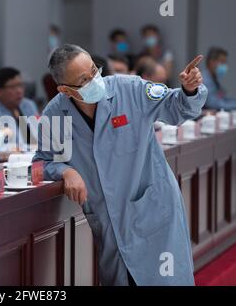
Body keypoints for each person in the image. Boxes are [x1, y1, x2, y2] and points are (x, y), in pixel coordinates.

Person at [34, 44, 207, 285]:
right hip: (108, 221)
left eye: (95, 70)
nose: (95, 80)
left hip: (151, 211)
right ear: (64, 89)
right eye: (84, 80)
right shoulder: (54, 114)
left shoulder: (130, 89)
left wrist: (189, 90)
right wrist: (65, 170)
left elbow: (176, 108)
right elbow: (41, 162)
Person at [0, 67, 39, 149]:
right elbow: (3, 144)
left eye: (20, 85)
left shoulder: (28, 104)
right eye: (13, 87)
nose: (19, 91)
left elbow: (40, 134)